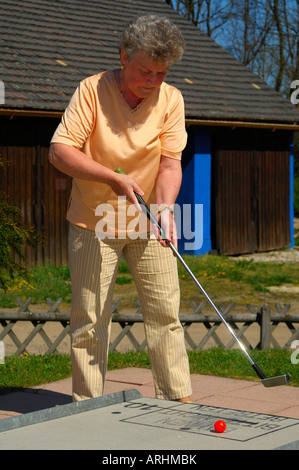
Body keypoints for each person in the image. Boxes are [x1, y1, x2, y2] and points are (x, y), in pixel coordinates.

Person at [49, 14, 192, 403]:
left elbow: (169, 163)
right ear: (124, 56)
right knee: (90, 319)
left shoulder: (172, 99)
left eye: (162, 73)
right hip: (94, 221)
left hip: (148, 222)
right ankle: (88, 406)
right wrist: (112, 178)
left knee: (166, 314)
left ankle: (176, 401)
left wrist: (164, 208)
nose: (154, 81)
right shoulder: (92, 90)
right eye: (146, 70)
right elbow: (61, 151)